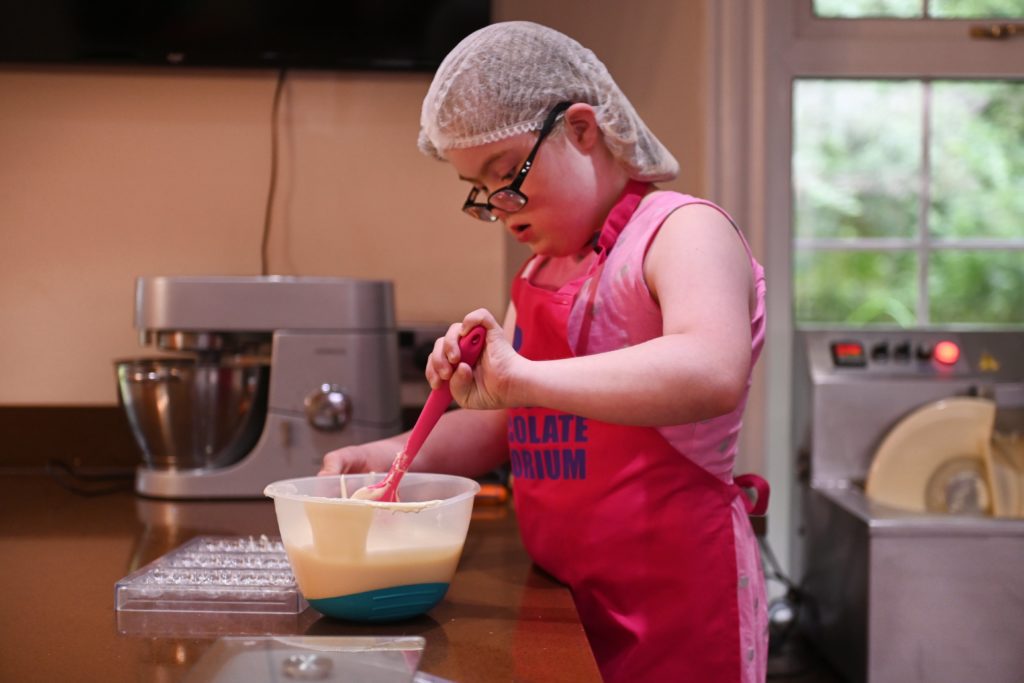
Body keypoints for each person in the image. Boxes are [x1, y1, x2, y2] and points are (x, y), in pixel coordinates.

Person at [320, 20, 769, 683]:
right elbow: (506, 420)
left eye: (509, 176)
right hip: (562, 597)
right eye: (481, 191)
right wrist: (386, 459)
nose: (501, 207)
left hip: (677, 603)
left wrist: (522, 374)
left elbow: (712, 368)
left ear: (583, 130)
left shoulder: (680, 231)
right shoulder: (541, 272)